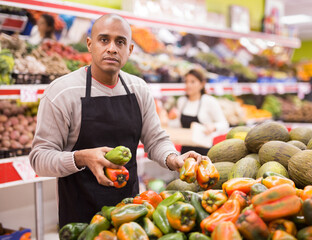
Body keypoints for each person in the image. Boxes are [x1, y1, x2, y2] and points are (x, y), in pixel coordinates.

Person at [29, 14, 208, 228]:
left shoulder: (138, 88)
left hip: (131, 213)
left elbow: (155, 140)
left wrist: (173, 159)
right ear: (90, 44)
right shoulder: (62, 92)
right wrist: (80, 158)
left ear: (130, 50)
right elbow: (39, 158)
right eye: (104, 40)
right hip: (80, 218)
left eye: (120, 42)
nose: (112, 48)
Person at [168, 69, 229, 155]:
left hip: (204, 151)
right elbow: (178, 125)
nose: (188, 85)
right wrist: (168, 120)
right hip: (186, 151)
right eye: (186, 81)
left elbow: (224, 124)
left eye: (192, 82)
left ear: (202, 84)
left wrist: (213, 127)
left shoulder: (209, 101)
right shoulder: (182, 101)